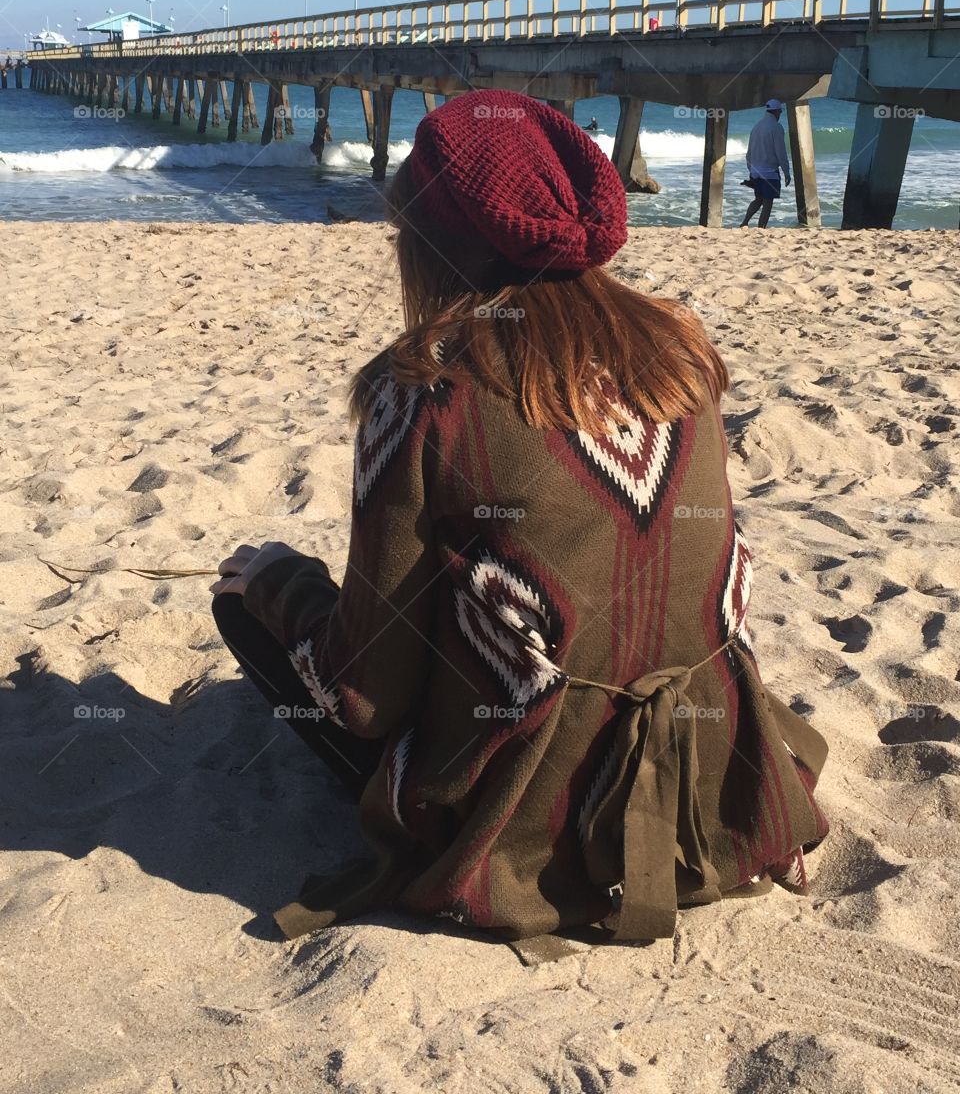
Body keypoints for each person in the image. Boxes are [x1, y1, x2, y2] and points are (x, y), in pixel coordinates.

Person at [211, 90, 828, 944]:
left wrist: (283, 587)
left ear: (431, 242)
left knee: (248, 600)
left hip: (534, 829)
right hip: (713, 788)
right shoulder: (682, 352)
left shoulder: (427, 390)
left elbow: (364, 694)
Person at [741, 98, 791, 228]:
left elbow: (749, 153)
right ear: (776, 111)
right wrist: (787, 172)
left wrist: (751, 171)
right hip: (769, 173)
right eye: (780, 112)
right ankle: (761, 228)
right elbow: (781, 153)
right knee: (768, 203)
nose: (780, 114)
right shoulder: (776, 127)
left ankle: (744, 222)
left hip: (755, 171)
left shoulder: (756, 127)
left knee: (758, 200)